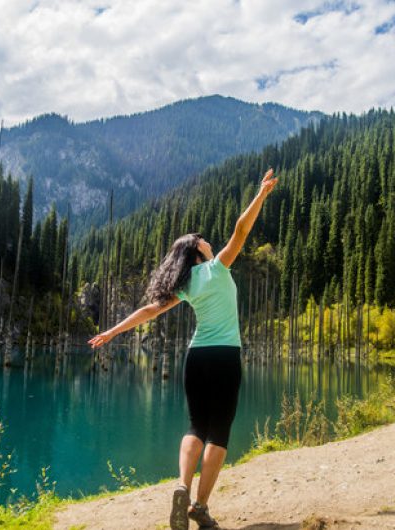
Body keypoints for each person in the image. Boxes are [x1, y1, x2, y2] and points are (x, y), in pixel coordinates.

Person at [88, 168, 278, 529]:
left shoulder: (186, 284)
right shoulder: (218, 268)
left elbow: (149, 311)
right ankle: (199, 507)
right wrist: (261, 194)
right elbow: (241, 230)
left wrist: (112, 332)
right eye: (202, 240)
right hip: (225, 356)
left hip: (196, 357)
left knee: (196, 425)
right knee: (219, 432)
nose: (207, 241)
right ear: (197, 251)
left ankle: (182, 485)